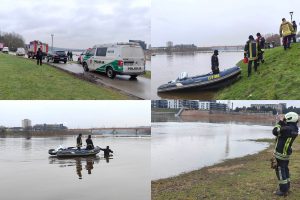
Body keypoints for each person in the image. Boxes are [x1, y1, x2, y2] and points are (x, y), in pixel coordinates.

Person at [272, 112, 299, 196]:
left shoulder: (286, 129)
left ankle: (283, 190)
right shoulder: (294, 128)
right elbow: (285, 129)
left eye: (286, 118)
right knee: (285, 170)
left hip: (280, 154)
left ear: (289, 118)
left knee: (280, 171)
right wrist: (283, 122)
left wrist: (280, 122)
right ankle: (287, 187)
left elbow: (275, 131)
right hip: (286, 154)